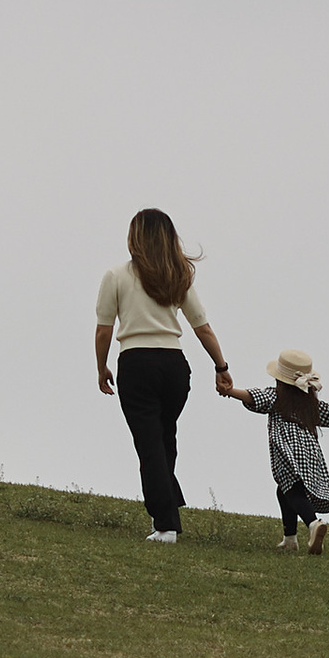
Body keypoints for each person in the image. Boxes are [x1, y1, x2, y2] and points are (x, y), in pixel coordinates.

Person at [94, 209, 233, 544]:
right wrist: (221, 366)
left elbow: (103, 331)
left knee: (149, 444)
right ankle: (170, 505)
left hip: (136, 362)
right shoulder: (178, 276)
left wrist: (102, 367)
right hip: (174, 365)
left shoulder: (116, 275)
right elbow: (203, 328)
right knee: (164, 437)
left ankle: (165, 524)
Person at [225, 347, 329, 552]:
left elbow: (255, 398)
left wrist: (230, 391)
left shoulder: (276, 397)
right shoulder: (311, 405)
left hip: (287, 451)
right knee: (284, 489)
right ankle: (290, 539)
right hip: (310, 453)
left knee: (291, 487)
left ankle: (313, 524)